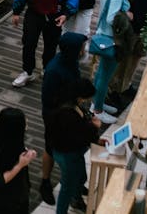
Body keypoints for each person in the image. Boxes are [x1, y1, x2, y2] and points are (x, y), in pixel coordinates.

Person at [38, 31, 87, 206]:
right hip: (56, 116)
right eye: (82, 48)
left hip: (69, 112)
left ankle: (76, 185)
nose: (84, 50)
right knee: (51, 148)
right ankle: (45, 182)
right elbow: (48, 100)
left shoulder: (71, 61)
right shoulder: (53, 71)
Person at [47, 80, 103, 213]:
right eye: (86, 98)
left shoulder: (72, 103)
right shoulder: (67, 113)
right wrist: (95, 127)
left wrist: (95, 137)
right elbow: (79, 131)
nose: (86, 101)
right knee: (67, 186)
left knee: (81, 176)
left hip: (73, 150)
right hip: (66, 153)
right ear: (79, 96)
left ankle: (76, 196)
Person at [92, 0, 138, 125]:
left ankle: (96, 103)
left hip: (102, 35)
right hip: (112, 39)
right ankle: (97, 110)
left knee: (100, 74)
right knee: (105, 76)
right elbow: (112, 18)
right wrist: (127, 15)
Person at [0, 108, 36, 214]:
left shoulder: (13, 139)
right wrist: (20, 165)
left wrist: (26, 154)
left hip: (17, 195)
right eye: (24, 122)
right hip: (1, 201)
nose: (27, 123)